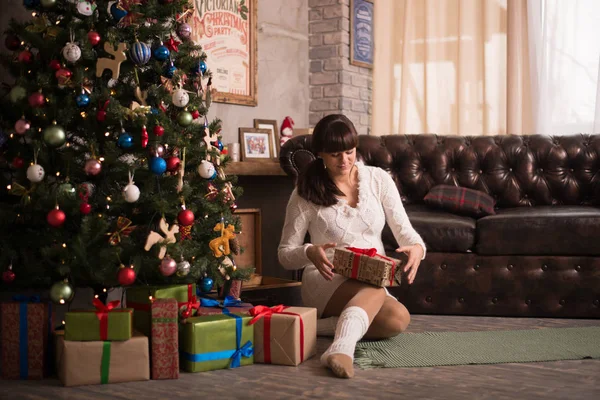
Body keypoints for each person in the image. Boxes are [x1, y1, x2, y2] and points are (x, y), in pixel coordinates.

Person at [278, 114, 426, 379]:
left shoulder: (378, 179)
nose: (344, 161)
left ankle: (317, 327)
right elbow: (285, 254)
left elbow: (405, 231)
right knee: (375, 288)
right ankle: (341, 348)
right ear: (320, 153)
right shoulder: (305, 191)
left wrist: (417, 247)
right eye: (335, 154)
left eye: (350, 151)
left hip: (370, 274)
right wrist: (310, 252)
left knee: (398, 319)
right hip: (327, 277)